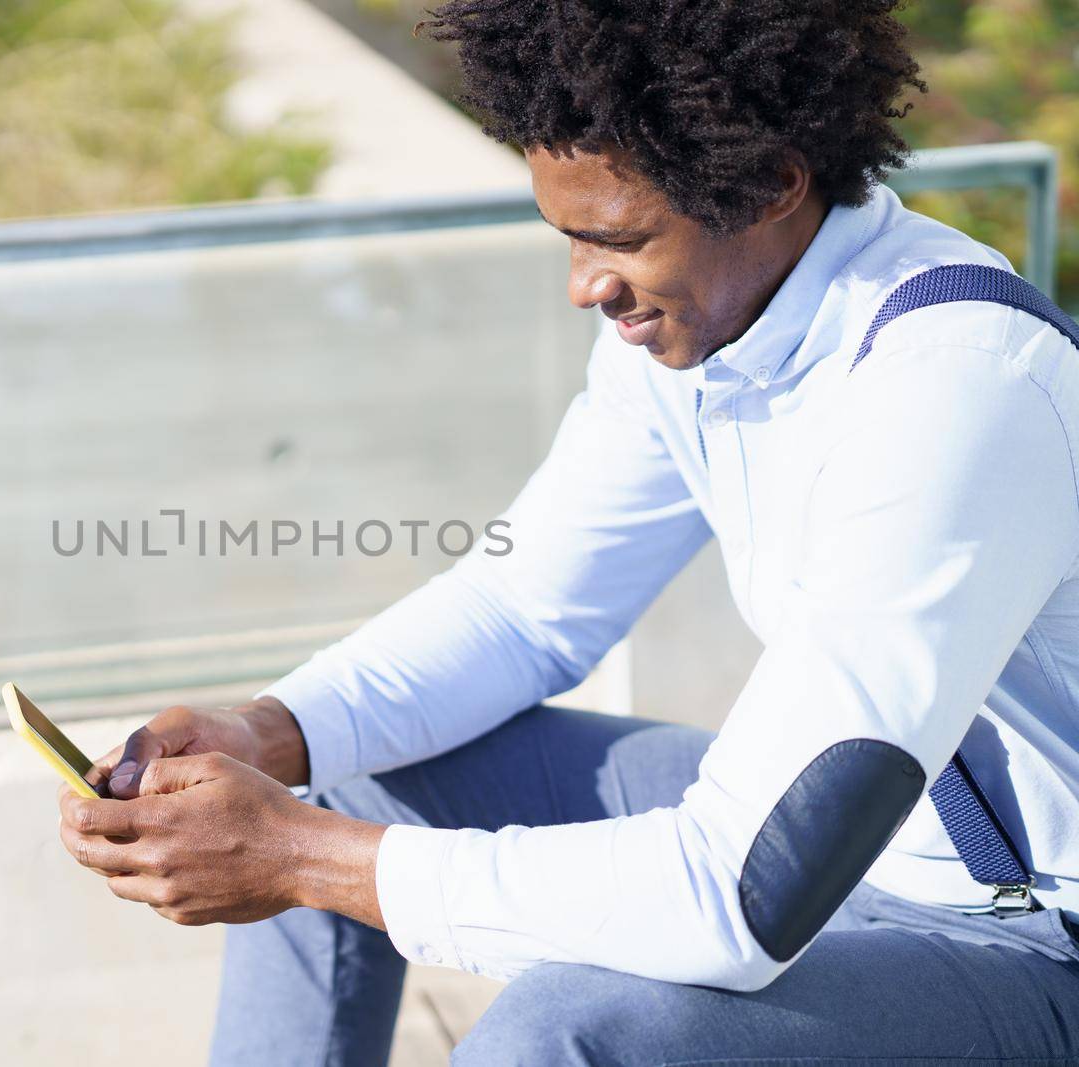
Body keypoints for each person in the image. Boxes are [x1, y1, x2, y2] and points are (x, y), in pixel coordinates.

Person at [57, 1, 1079, 1062]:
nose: (586, 285)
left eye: (620, 238)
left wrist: (301, 858)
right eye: (571, 235)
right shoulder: (706, 319)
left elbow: (744, 892)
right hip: (867, 866)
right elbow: (524, 608)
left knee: (564, 1030)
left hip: (1032, 938)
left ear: (772, 184)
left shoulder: (955, 388)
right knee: (351, 770)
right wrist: (263, 734)